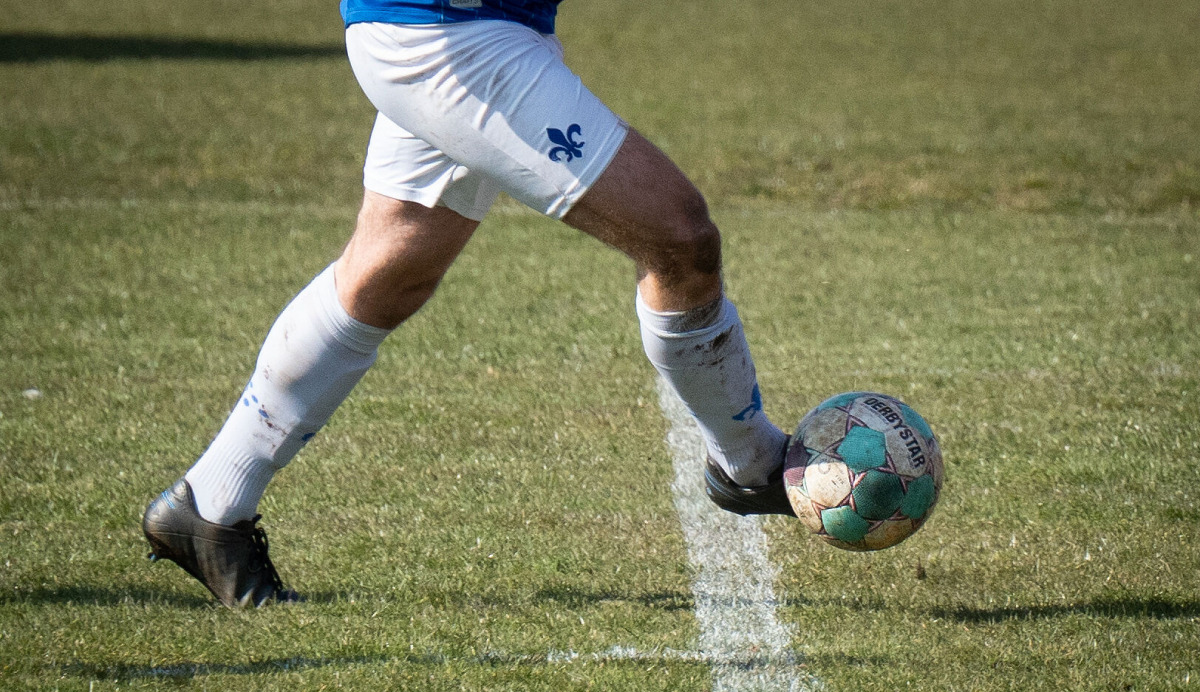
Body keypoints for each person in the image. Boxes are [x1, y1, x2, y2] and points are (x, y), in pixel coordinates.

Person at [142, 0, 795, 609]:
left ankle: (209, 505)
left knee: (387, 275)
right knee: (679, 239)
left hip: (478, 27)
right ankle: (750, 463)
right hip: (450, 33)